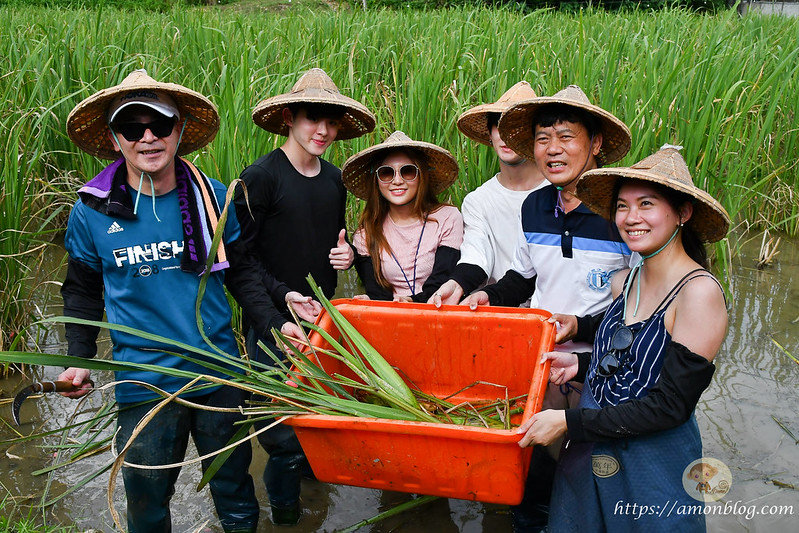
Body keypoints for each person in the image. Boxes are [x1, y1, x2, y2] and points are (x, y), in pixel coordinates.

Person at [57, 69, 303, 532]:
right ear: (115, 140)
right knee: (147, 502)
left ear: (180, 131)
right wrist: (78, 357)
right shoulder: (92, 208)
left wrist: (275, 322)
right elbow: (82, 288)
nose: (147, 137)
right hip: (144, 382)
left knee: (234, 490)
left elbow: (242, 272)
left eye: (160, 125)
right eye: (132, 127)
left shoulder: (211, 194)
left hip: (219, 372)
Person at [516, 145, 730, 532]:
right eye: (622, 206)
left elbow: (669, 406)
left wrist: (568, 423)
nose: (631, 218)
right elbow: (630, 352)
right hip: (592, 452)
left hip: (651, 464)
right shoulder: (626, 280)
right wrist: (580, 363)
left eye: (646, 204)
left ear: (683, 213)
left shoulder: (698, 293)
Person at [460, 85, 633, 532]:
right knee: (532, 477)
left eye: (565, 136)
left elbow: (641, 309)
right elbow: (524, 275)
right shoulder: (535, 205)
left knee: (593, 478)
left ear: (595, 144)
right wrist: (485, 296)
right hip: (540, 361)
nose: (552, 149)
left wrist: (581, 323)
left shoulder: (623, 213)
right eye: (542, 138)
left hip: (601, 365)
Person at [232, 67, 376, 525]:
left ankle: (312, 493)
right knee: (282, 437)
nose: (324, 131)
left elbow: (328, 241)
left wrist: (345, 254)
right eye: (314, 119)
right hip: (273, 325)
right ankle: (288, 517)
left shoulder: (334, 179)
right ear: (290, 117)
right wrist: (279, 308)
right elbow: (242, 263)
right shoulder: (260, 178)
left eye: (332, 123)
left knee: (316, 418)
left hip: (320, 321)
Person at [429, 81, 547, 306]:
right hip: (497, 308)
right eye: (499, 127)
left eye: (517, 128)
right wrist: (457, 283)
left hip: (550, 313)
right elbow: (476, 254)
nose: (507, 136)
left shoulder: (557, 196)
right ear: (490, 134)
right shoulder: (478, 201)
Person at [342, 131, 463, 301]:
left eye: (407, 171)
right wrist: (373, 303)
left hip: (437, 309)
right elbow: (377, 292)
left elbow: (443, 279)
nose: (397, 180)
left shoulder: (447, 218)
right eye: (386, 173)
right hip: (390, 317)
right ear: (376, 180)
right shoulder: (366, 233)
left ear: (421, 175)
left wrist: (412, 302)